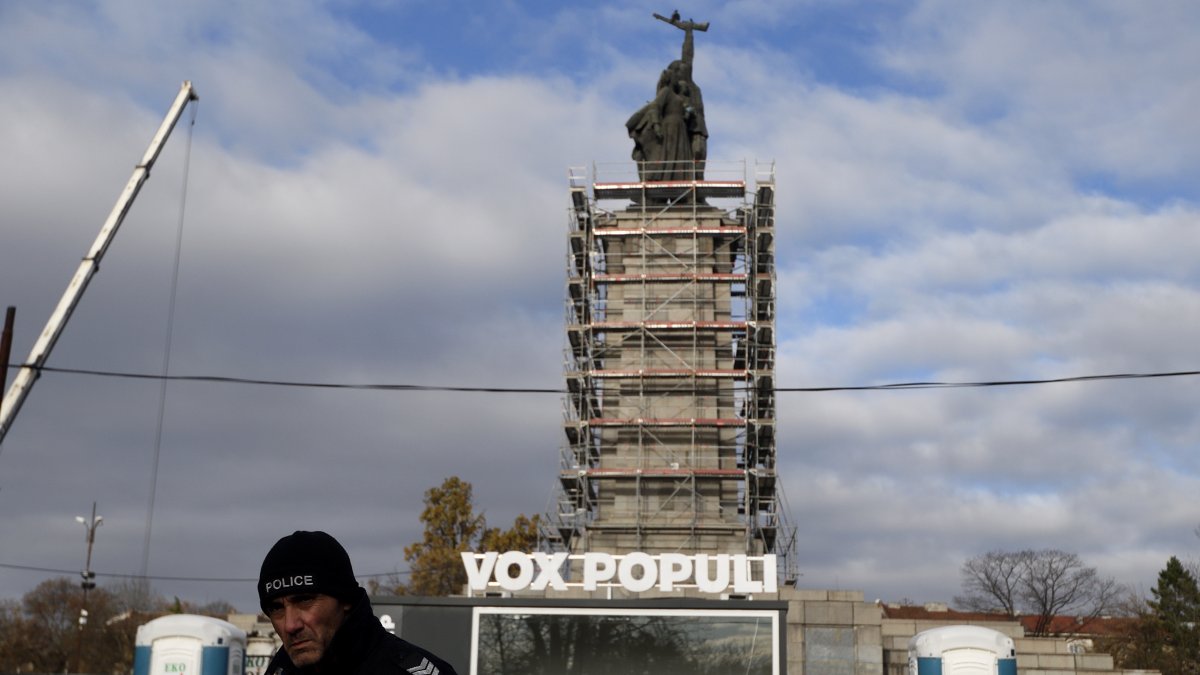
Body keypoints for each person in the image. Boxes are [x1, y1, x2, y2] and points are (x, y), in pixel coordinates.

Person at [258, 530, 458, 675]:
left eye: (305, 600)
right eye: (276, 608)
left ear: (345, 600)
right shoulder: (280, 669)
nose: (290, 624)